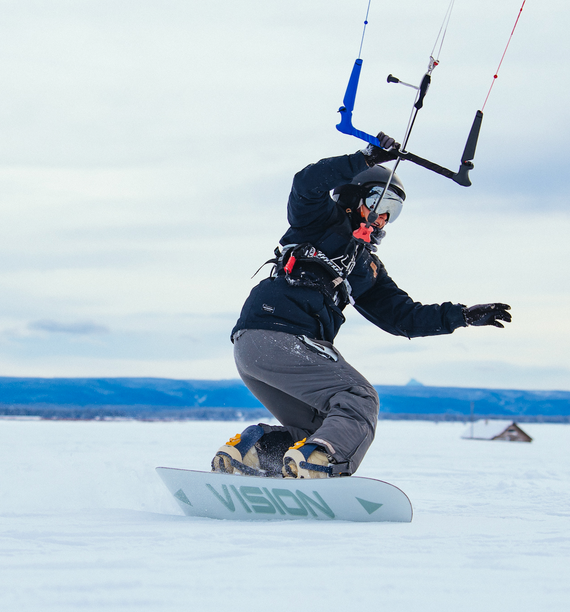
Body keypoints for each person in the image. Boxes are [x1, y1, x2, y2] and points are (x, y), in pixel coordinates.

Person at [212, 134, 511, 479]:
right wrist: (363, 159)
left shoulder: (365, 268)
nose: (383, 218)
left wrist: (461, 316)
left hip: (252, 349)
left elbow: (404, 316)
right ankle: (319, 466)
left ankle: (251, 452)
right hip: (283, 336)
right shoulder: (319, 221)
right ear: (352, 198)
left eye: (393, 213)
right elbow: (305, 185)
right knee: (359, 398)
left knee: (330, 428)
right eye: (378, 203)